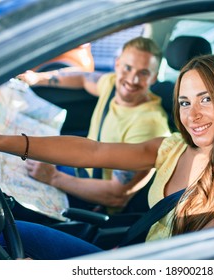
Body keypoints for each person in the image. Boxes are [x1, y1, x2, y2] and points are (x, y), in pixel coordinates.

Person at [0, 54, 214, 259]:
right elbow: (93, 151)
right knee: (7, 234)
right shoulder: (174, 148)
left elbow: (189, 268)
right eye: (184, 102)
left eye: (205, 99)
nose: (192, 115)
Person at [16, 37, 171, 215]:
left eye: (144, 73)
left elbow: (116, 196)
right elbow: (82, 77)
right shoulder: (111, 84)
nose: (132, 79)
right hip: (78, 171)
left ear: (154, 77)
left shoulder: (149, 125)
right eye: (128, 68)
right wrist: (36, 78)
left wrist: (53, 177)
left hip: (95, 205)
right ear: (117, 64)